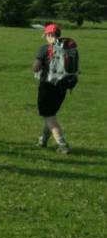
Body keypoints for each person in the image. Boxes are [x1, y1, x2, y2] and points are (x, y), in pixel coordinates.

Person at [32, 23, 72, 154]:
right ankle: (42, 141)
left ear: (49, 35)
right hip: (63, 87)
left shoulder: (45, 49)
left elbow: (35, 68)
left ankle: (62, 144)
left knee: (49, 117)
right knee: (50, 115)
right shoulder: (68, 49)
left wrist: (41, 66)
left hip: (47, 86)